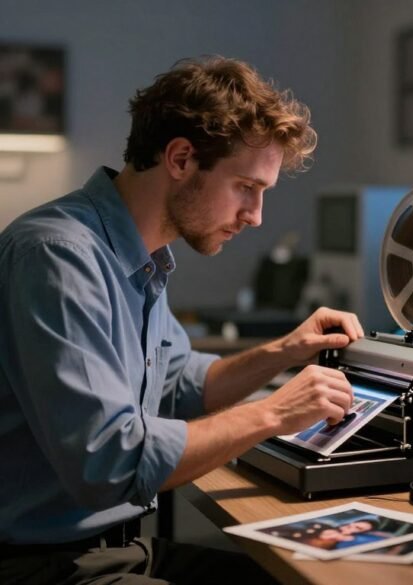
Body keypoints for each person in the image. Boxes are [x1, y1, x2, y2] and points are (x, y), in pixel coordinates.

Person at [0, 56, 364, 585]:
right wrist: (275, 412)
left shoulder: (143, 257)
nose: (256, 216)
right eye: (246, 186)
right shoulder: (58, 257)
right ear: (180, 158)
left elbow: (181, 385)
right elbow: (109, 463)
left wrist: (287, 349)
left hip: (115, 550)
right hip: (41, 567)